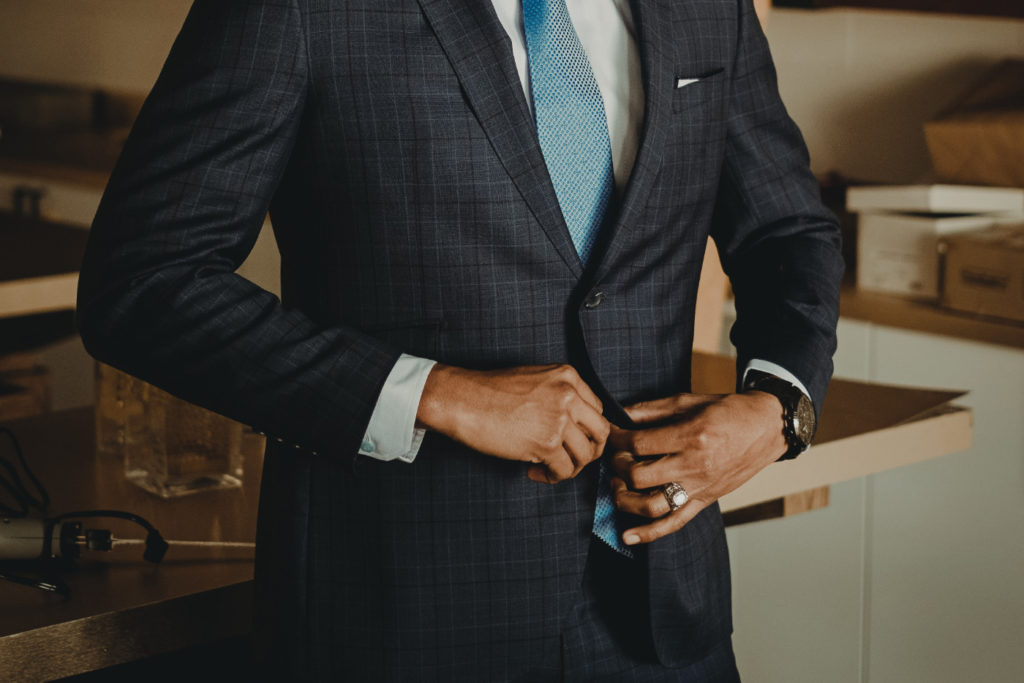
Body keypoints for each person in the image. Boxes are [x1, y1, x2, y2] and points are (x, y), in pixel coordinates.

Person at [77, 0, 843, 680]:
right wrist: (430, 393)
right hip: (403, 619)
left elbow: (788, 233)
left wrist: (779, 406)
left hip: (665, 617)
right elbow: (143, 280)